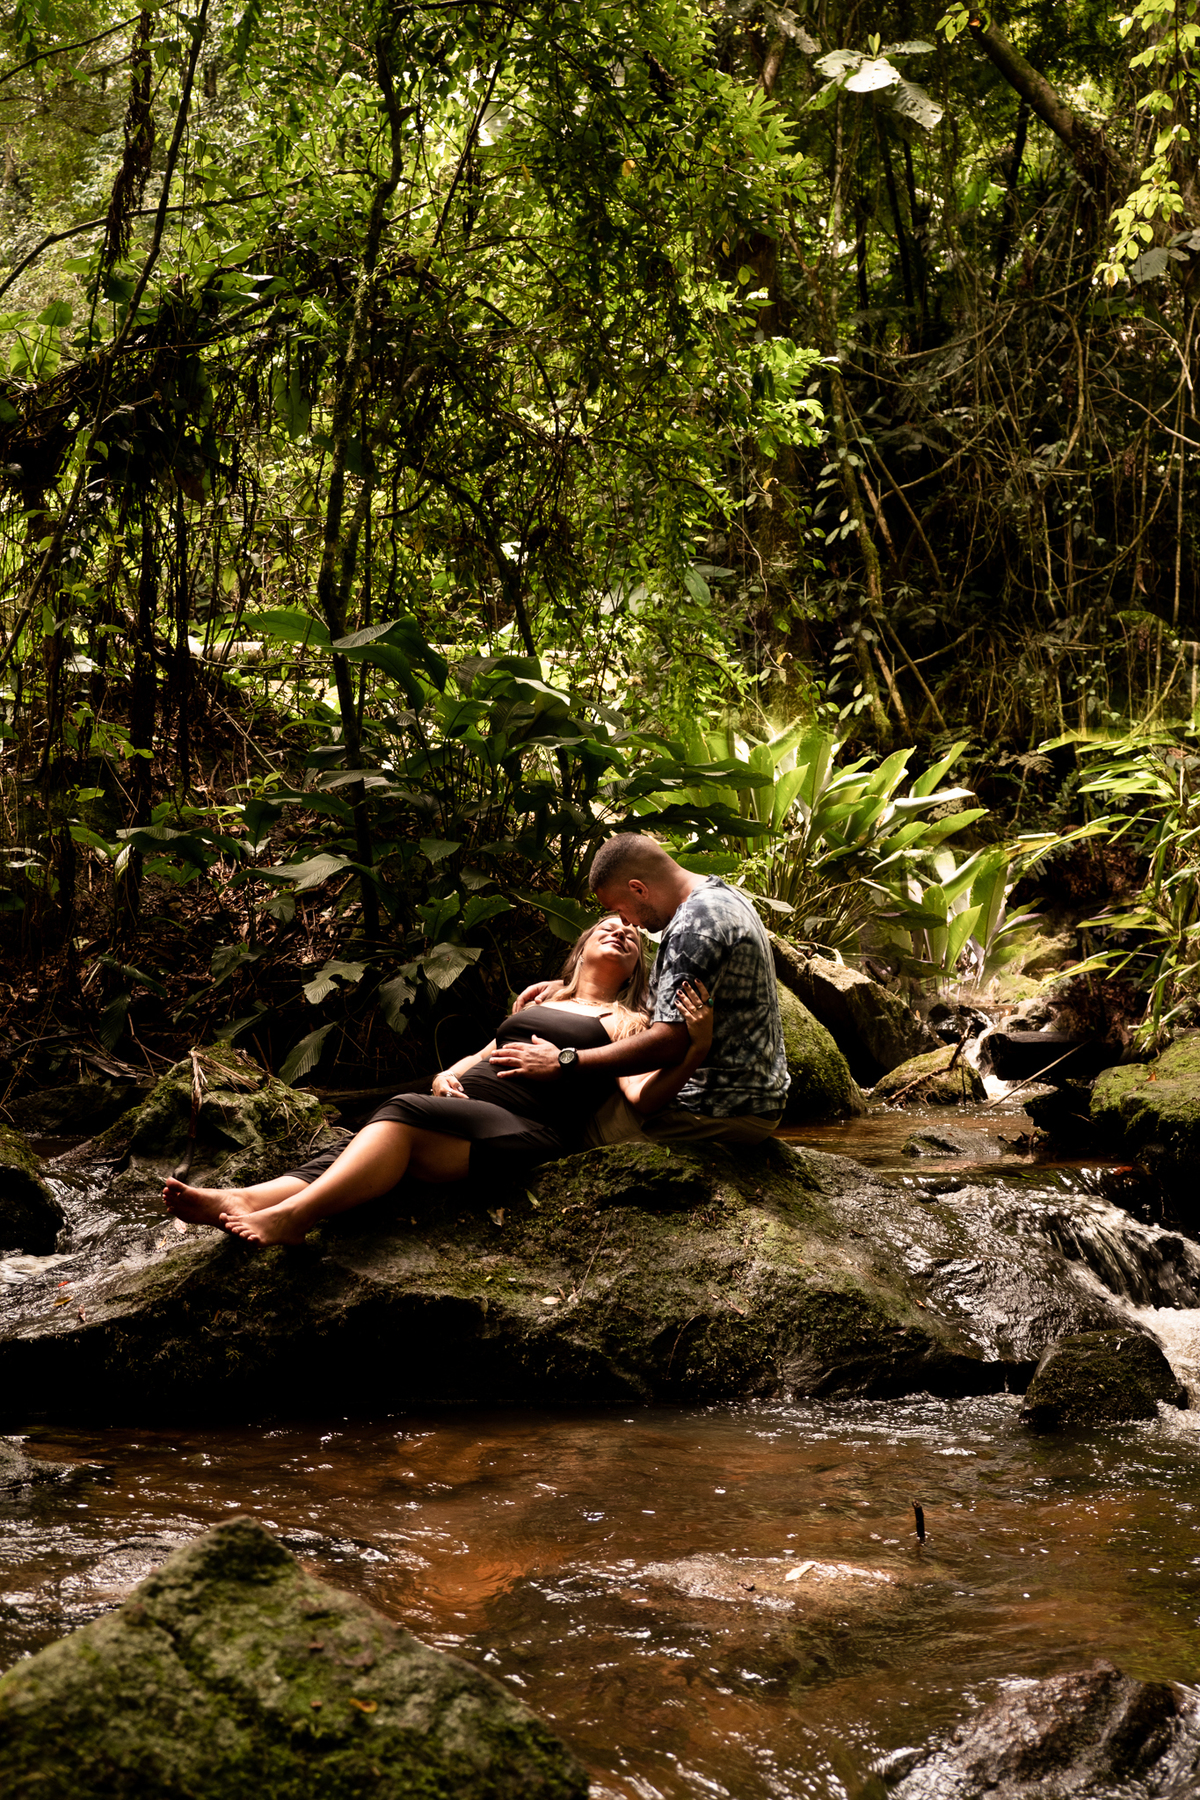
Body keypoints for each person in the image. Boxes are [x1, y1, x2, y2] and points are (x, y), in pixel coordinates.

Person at [160, 914, 713, 1246]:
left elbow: (643, 1095)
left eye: (634, 938)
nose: (621, 934)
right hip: (467, 1114)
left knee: (400, 1114)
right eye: (608, 928)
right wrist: (446, 1077)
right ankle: (245, 1198)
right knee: (360, 1142)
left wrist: (696, 1048)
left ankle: (295, 1217)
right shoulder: (544, 998)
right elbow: (479, 1054)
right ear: (582, 947)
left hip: (529, 1128)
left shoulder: (628, 1021)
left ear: (639, 966)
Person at [496, 832, 788, 1145]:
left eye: (620, 909)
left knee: (565, 1138)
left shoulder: (692, 926)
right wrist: (569, 988)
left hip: (713, 1105)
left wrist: (565, 1060)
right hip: (758, 1100)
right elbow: (673, 1001)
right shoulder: (722, 897)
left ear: (639, 889)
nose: (625, 921)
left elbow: (669, 1042)